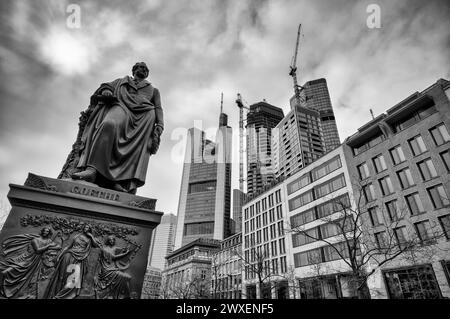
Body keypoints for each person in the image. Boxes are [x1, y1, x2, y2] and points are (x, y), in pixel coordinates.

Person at [71, 62, 164, 194]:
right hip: (121, 107)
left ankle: (117, 181)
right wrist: (107, 91)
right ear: (134, 70)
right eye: (139, 67)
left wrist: (160, 124)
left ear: (147, 73)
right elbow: (105, 86)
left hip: (142, 119)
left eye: (145, 69)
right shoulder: (121, 81)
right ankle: (92, 170)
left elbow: (158, 108)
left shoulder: (153, 90)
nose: (142, 70)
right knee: (108, 124)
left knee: (133, 149)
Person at [0, 227, 61, 298]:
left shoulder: (49, 241)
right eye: (44, 231)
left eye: (47, 231)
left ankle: (15, 292)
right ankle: (3, 290)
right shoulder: (35, 240)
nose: (45, 232)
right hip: (25, 259)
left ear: (49, 233)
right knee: (6, 272)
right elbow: (38, 250)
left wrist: (50, 246)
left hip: (34, 262)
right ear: (42, 231)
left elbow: (58, 247)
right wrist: (48, 246)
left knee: (25, 279)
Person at [43, 224, 98, 299]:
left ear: (89, 229)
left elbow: (96, 245)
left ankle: (60, 297)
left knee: (74, 279)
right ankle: (55, 294)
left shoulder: (89, 239)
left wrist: (91, 236)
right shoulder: (76, 236)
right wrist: (59, 256)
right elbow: (68, 246)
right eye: (85, 227)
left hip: (79, 258)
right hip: (69, 255)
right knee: (62, 277)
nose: (86, 228)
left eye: (88, 227)